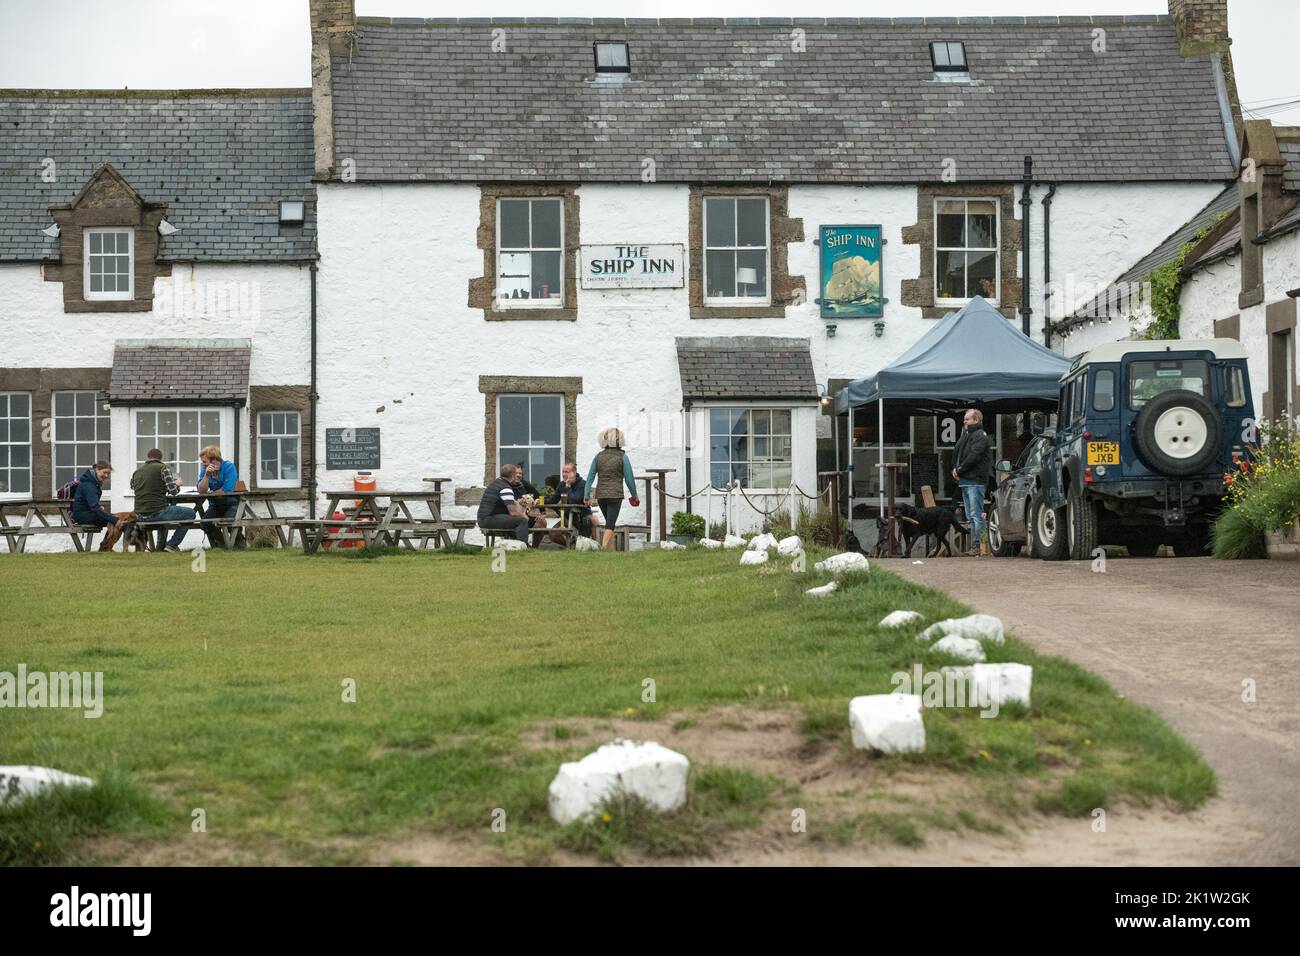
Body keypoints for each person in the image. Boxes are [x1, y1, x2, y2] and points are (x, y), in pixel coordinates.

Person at [585, 427, 639, 550]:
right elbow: (629, 479)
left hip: (601, 496)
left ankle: (612, 551)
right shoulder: (623, 456)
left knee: (610, 523)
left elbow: (590, 478)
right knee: (610, 525)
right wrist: (634, 495)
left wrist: (586, 495)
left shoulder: (598, 457)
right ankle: (603, 549)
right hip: (615, 495)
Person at [130, 449, 194, 552]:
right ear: (160, 458)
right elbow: (173, 491)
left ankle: (161, 547)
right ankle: (171, 545)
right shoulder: (163, 468)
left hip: (140, 515)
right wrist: (177, 483)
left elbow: (133, 487)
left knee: (165, 511)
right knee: (190, 513)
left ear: (148, 457)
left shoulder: (136, 472)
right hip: (157, 513)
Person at [952, 408, 993, 557]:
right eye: (964, 419)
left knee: (977, 514)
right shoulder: (967, 435)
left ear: (976, 420)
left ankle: (980, 544)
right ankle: (976, 544)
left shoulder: (980, 436)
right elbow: (958, 452)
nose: (964, 422)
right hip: (965, 481)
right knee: (970, 515)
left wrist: (960, 469)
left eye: (967, 419)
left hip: (975, 481)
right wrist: (955, 468)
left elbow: (974, 456)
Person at [70, 460, 121, 551]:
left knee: (114, 519)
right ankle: (106, 547)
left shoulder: (92, 482)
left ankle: (105, 547)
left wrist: (100, 509)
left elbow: (91, 504)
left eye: (108, 473)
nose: (106, 476)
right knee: (114, 520)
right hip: (83, 516)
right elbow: (94, 507)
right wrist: (114, 519)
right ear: (97, 470)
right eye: (105, 472)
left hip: (84, 514)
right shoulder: (89, 485)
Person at [196, 445, 239, 546]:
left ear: (214, 460)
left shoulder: (229, 467)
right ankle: (223, 545)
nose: (202, 465)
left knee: (229, 524)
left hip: (232, 504)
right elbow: (201, 491)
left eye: (204, 462)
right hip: (215, 505)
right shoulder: (205, 470)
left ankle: (239, 543)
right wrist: (206, 476)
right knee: (205, 524)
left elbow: (227, 489)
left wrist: (211, 492)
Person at [477, 462, 530, 544]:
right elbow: (513, 512)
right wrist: (524, 516)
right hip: (488, 519)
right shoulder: (506, 488)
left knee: (514, 521)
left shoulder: (496, 483)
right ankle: (522, 546)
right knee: (521, 521)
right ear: (512, 476)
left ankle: (514, 544)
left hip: (484, 518)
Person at [547, 461, 593, 537]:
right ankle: (571, 546)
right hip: (567, 517)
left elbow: (573, 500)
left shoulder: (583, 484)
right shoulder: (561, 484)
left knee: (583, 535)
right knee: (553, 535)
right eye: (563, 472)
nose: (564, 474)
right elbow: (553, 500)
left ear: (574, 473)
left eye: (567, 472)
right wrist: (539, 501)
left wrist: (568, 486)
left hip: (581, 517)